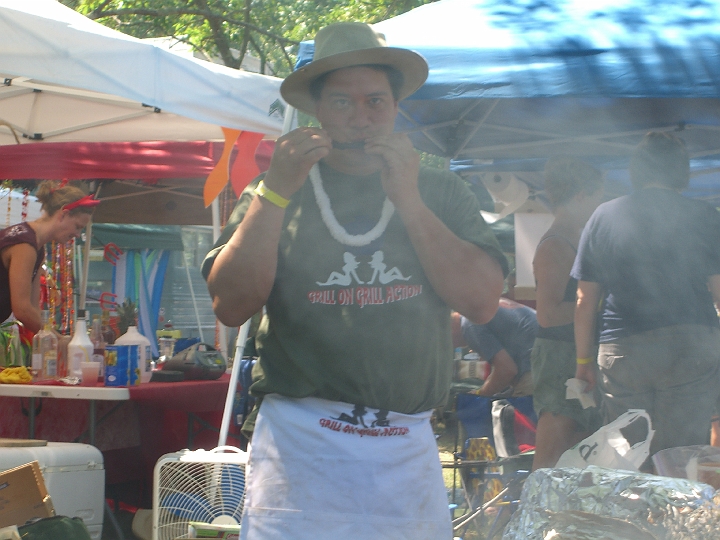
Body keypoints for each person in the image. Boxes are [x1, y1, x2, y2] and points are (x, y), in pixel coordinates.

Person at [202, 21, 507, 540]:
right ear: (316, 111)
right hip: (298, 446)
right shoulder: (274, 189)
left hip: (404, 442)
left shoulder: (437, 187)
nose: (360, 119)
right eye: (342, 103)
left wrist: (409, 199)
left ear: (395, 108)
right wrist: (275, 192)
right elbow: (231, 306)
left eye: (375, 102)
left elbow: (481, 302)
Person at [573, 132, 720, 464]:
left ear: (636, 170)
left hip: (623, 349)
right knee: (682, 458)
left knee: (627, 458)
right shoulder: (705, 216)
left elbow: (585, 299)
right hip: (692, 346)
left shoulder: (603, 215)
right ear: (681, 172)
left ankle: (631, 514)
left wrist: (583, 363)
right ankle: (678, 515)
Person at [530, 157, 604, 471]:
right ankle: (530, 514)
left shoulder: (576, 240)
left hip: (576, 355)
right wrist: (597, 307)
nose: (601, 206)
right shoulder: (555, 246)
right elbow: (547, 314)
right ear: (580, 196)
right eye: (598, 197)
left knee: (582, 450)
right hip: (559, 358)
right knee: (551, 454)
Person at [0, 181, 99, 333]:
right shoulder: (24, 244)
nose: (77, 235)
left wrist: (50, 339)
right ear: (63, 214)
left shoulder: (35, 247)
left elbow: (32, 308)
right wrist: (56, 340)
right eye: (77, 226)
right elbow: (22, 309)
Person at [451, 297, 538, 397]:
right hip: (550, 354)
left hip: (536, 369)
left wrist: (480, 394)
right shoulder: (480, 309)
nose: (453, 347)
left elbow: (506, 370)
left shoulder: (469, 324)